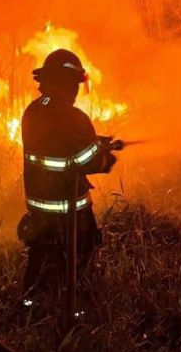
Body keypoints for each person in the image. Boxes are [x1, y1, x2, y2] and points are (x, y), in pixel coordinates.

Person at [18, 49, 117, 307]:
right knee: (76, 266)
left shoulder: (32, 111)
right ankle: (75, 314)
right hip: (71, 212)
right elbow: (86, 161)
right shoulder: (74, 118)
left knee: (40, 262)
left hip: (39, 210)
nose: (75, 91)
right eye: (74, 84)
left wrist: (96, 143)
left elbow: (61, 148)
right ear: (66, 84)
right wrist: (105, 157)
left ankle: (30, 310)